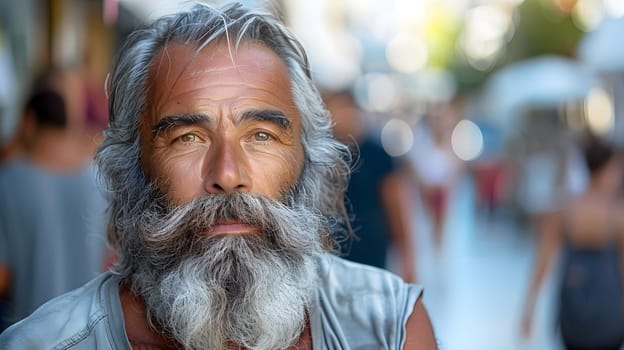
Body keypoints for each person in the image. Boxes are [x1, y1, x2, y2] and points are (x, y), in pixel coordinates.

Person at [0, 3, 438, 349]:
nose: (227, 174)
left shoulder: (390, 329)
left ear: (307, 159)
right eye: (188, 138)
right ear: (133, 166)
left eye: (261, 135)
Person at [0, 87, 108, 329]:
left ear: (28, 121)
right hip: (90, 333)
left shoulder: (8, 182)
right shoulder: (100, 181)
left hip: (30, 335)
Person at [521, 136, 624, 350]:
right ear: (608, 169)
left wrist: (529, 308)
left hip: (572, 305)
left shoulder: (563, 208)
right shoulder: (618, 214)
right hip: (609, 308)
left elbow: (542, 262)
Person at [324, 89, 417, 283]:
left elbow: (396, 206)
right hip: (332, 257)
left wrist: (407, 259)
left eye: (345, 109)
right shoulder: (322, 155)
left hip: (371, 250)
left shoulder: (377, 154)